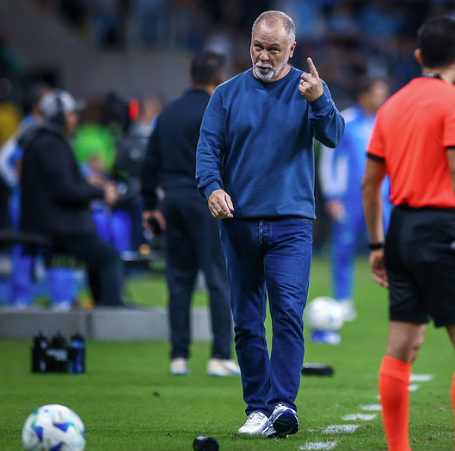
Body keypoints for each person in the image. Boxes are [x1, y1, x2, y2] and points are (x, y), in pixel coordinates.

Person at [196, 10, 344, 439]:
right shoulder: (225, 94)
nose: (263, 56)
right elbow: (207, 150)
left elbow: (334, 135)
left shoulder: (308, 89)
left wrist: (319, 99)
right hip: (238, 223)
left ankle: (282, 405)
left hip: (291, 224)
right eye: (257, 47)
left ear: (291, 49)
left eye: (273, 49)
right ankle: (257, 408)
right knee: (246, 321)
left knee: (287, 315)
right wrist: (212, 188)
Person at [362, 17, 455, 451]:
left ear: (418, 57)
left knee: (401, 344)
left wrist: (377, 245)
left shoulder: (391, 105)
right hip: (442, 229)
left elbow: (369, 185)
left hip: (400, 229)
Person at [141, 51, 240, 377]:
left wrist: (149, 205)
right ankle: (220, 355)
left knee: (179, 280)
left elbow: (149, 164)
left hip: (172, 202)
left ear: (190, 75)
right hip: (208, 201)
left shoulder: (167, 113)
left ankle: (179, 357)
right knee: (217, 278)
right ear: (218, 78)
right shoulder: (218, 108)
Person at [19, 89, 125, 307]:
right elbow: (66, 191)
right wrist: (101, 193)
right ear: (59, 116)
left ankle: (102, 307)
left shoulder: (45, 141)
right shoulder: (51, 144)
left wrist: (89, 185)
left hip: (53, 222)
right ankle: (110, 311)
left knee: (99, 257)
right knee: (110, 258)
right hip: (58, 227)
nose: (75, 118)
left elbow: (63, 184)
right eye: (71, 113)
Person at [318, 78, 392, 343]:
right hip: (350, 199)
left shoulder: (385, 122)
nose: (382, 98)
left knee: (393, 249)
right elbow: (329, 158)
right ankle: (343, 300)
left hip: (382, 200)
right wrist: (331, 195)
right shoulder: (346, 121)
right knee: (343, 250)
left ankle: (401, 296)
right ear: (364, 95)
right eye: (378, 93)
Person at [0, 85, 78, 310]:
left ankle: (60, 298)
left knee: (49, 247)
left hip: (41, 201)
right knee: (27, 249)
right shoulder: (30, 129)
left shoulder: (48, 130)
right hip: (27, 201)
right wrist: (21, 183)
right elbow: (3, 160)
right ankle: (24, 300)